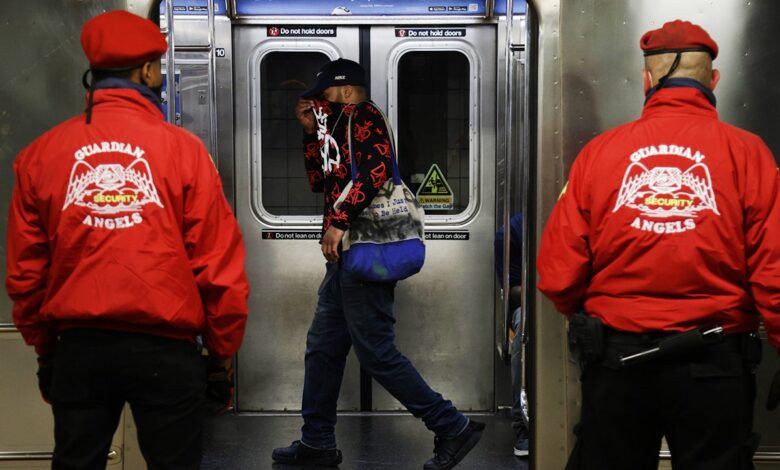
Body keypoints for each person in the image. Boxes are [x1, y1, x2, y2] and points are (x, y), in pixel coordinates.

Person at [5, 11, 249, 470]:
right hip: (167, 351)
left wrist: (46, 348)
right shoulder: (185, 152)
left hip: (80, 347)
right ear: (147, 72)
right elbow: (218, 265)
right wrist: (220, 353)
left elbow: (25, 272)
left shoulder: (40, 156)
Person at [537, 20, 780, 470]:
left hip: (617, 363)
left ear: (646, 79)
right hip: (715, 366)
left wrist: (588, 318)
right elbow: (775, 270)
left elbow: (556, 271)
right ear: (714, 79)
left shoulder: (599, 154)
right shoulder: (750, 154)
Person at [272, 58, 483, 470]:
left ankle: (452, 425)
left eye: (324, 95)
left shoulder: (364, 117)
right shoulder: (335, 126)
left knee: (376, 353)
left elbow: (378, 169)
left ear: (346, 90)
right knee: (323, 350)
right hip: (343, 259)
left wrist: (337, 222)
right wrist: (310, 133)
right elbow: (321, 180)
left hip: (365, 251)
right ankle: (317, 442)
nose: (319, 102)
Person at [495, 213, 530, 457]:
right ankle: (523, 425)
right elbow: (513, 290)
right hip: (531, 301)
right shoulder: (512, 231)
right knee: (524, 327)